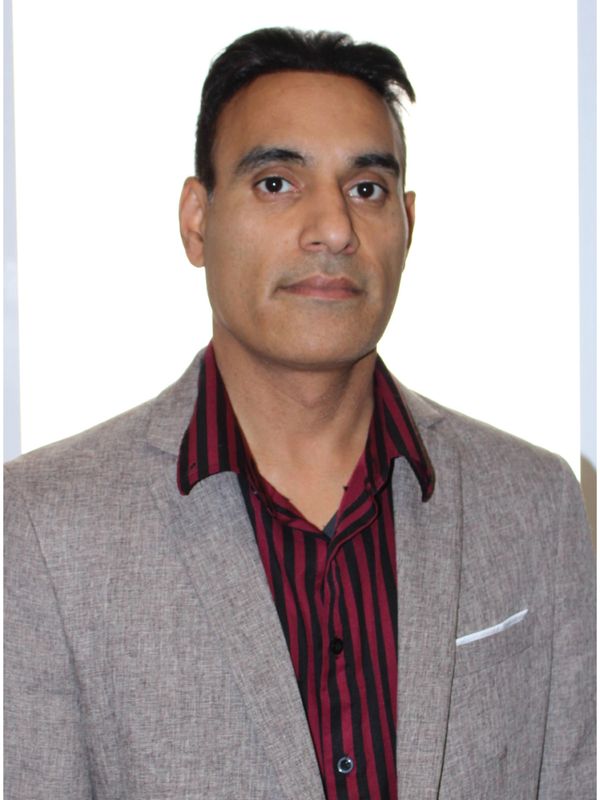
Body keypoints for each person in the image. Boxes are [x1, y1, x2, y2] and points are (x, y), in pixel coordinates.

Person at [4, 27, 594, 800]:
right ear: (196, 220)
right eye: (277, 182)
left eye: (367, 189)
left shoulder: (536, 501)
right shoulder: (43, 525)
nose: (334, 229)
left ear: (408, 224)